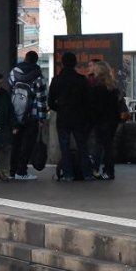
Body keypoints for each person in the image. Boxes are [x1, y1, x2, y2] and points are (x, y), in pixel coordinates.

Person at [47, 51, 93, 181]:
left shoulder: (57, 80)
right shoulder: (81, 80)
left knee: (64, 147)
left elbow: (50, 102)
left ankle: (68, 174)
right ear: (75, 63)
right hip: (79, 118)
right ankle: (87, 173)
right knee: (82, 146)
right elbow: (88, 101)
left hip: (63, 117)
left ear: (62, 63)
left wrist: (60, 108)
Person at [7, 51, 48, 180]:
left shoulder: (14, 72)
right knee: (28, 144)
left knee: (16, 143)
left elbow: (11, 90)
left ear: (25, 58)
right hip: (32, 116)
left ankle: (12, 171)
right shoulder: (39, 76)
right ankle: (22, 171)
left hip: (16, 114)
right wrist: (42, 118)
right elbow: (41, 99)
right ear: (36, 61)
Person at [87, 60, 123, 180]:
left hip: (101, 122)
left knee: (102, 146)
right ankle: (108, 170)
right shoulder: (113, 86)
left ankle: (107, 171)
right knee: (108, 147)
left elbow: (96, 107)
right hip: (113, 121)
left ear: (99, 72)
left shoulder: (97, 88)